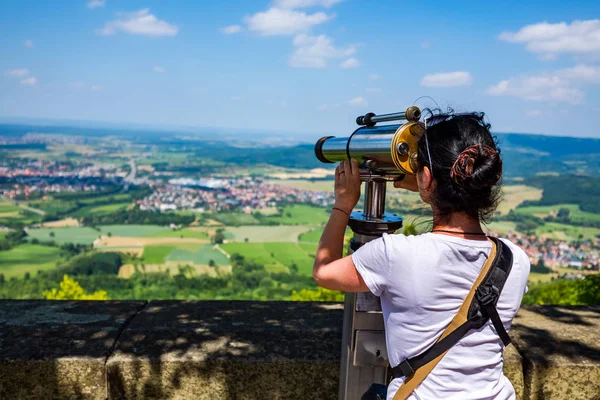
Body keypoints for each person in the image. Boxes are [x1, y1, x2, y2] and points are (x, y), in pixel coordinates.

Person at [313, 112, 530, 400]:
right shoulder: (515, 260)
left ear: (426, 177)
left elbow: (324, 271)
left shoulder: (396, 254)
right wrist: (430, 184)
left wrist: (343, 203)